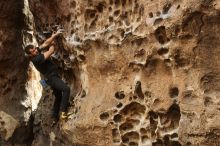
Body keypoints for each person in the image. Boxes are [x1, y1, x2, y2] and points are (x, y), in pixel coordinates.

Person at [25, 29, 70, 122]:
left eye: (34, 49)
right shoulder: (36, 59)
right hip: (52, 78)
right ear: (30, 55)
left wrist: (54, 35)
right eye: (33, 52)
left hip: (50, 78)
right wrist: (53, 42)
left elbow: (45, 44)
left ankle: (54, 117)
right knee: (66, 89)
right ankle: (63, 114)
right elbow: (51, 51)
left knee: (58, 96)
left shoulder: (36, 52)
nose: (35, 51)